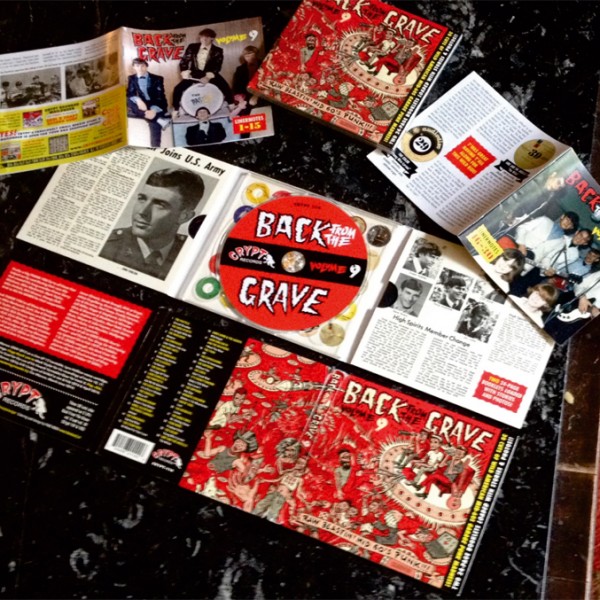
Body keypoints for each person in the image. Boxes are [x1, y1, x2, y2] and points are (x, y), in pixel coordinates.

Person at [99, 168, 204, 279]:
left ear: (184, 216)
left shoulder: (192, 253)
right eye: (142, 199)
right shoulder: (106, 246)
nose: (142, 212)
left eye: (160, 205)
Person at [173, 28, 234, 112]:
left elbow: (217, 66)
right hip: (194, 73)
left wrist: (207, 77)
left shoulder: (218, 50)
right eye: (202, 37)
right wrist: (186, 72)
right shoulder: (192, 47)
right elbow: (184, 61)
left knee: (225, 87)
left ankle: (232, 106)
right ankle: (175, 110)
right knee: (178, 89)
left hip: (210, 73)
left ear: (212, 38)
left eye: (207, 37)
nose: (204, 39)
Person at [126, 58, 171, 147]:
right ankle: (159, 119)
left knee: (153, 124)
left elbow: (159, 97)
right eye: (137, 66)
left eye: (142, 66)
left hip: (157, 103)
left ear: (146, 66)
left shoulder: (158, 78)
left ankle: (155, 148)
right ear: (134, 67)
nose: (140, 68)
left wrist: (153, 110)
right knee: (128, 99)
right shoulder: (132, 78)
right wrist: (138, 100)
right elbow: (130, 93)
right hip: (143, 104)